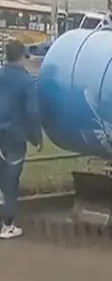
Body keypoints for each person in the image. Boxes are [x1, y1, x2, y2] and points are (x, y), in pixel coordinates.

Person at [0, 39, 42, 239]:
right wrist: (36, 138)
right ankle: (7, 225)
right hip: (14, 137)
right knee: (10, 180)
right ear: (21, 57)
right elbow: (32, 112)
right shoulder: (26, 81)